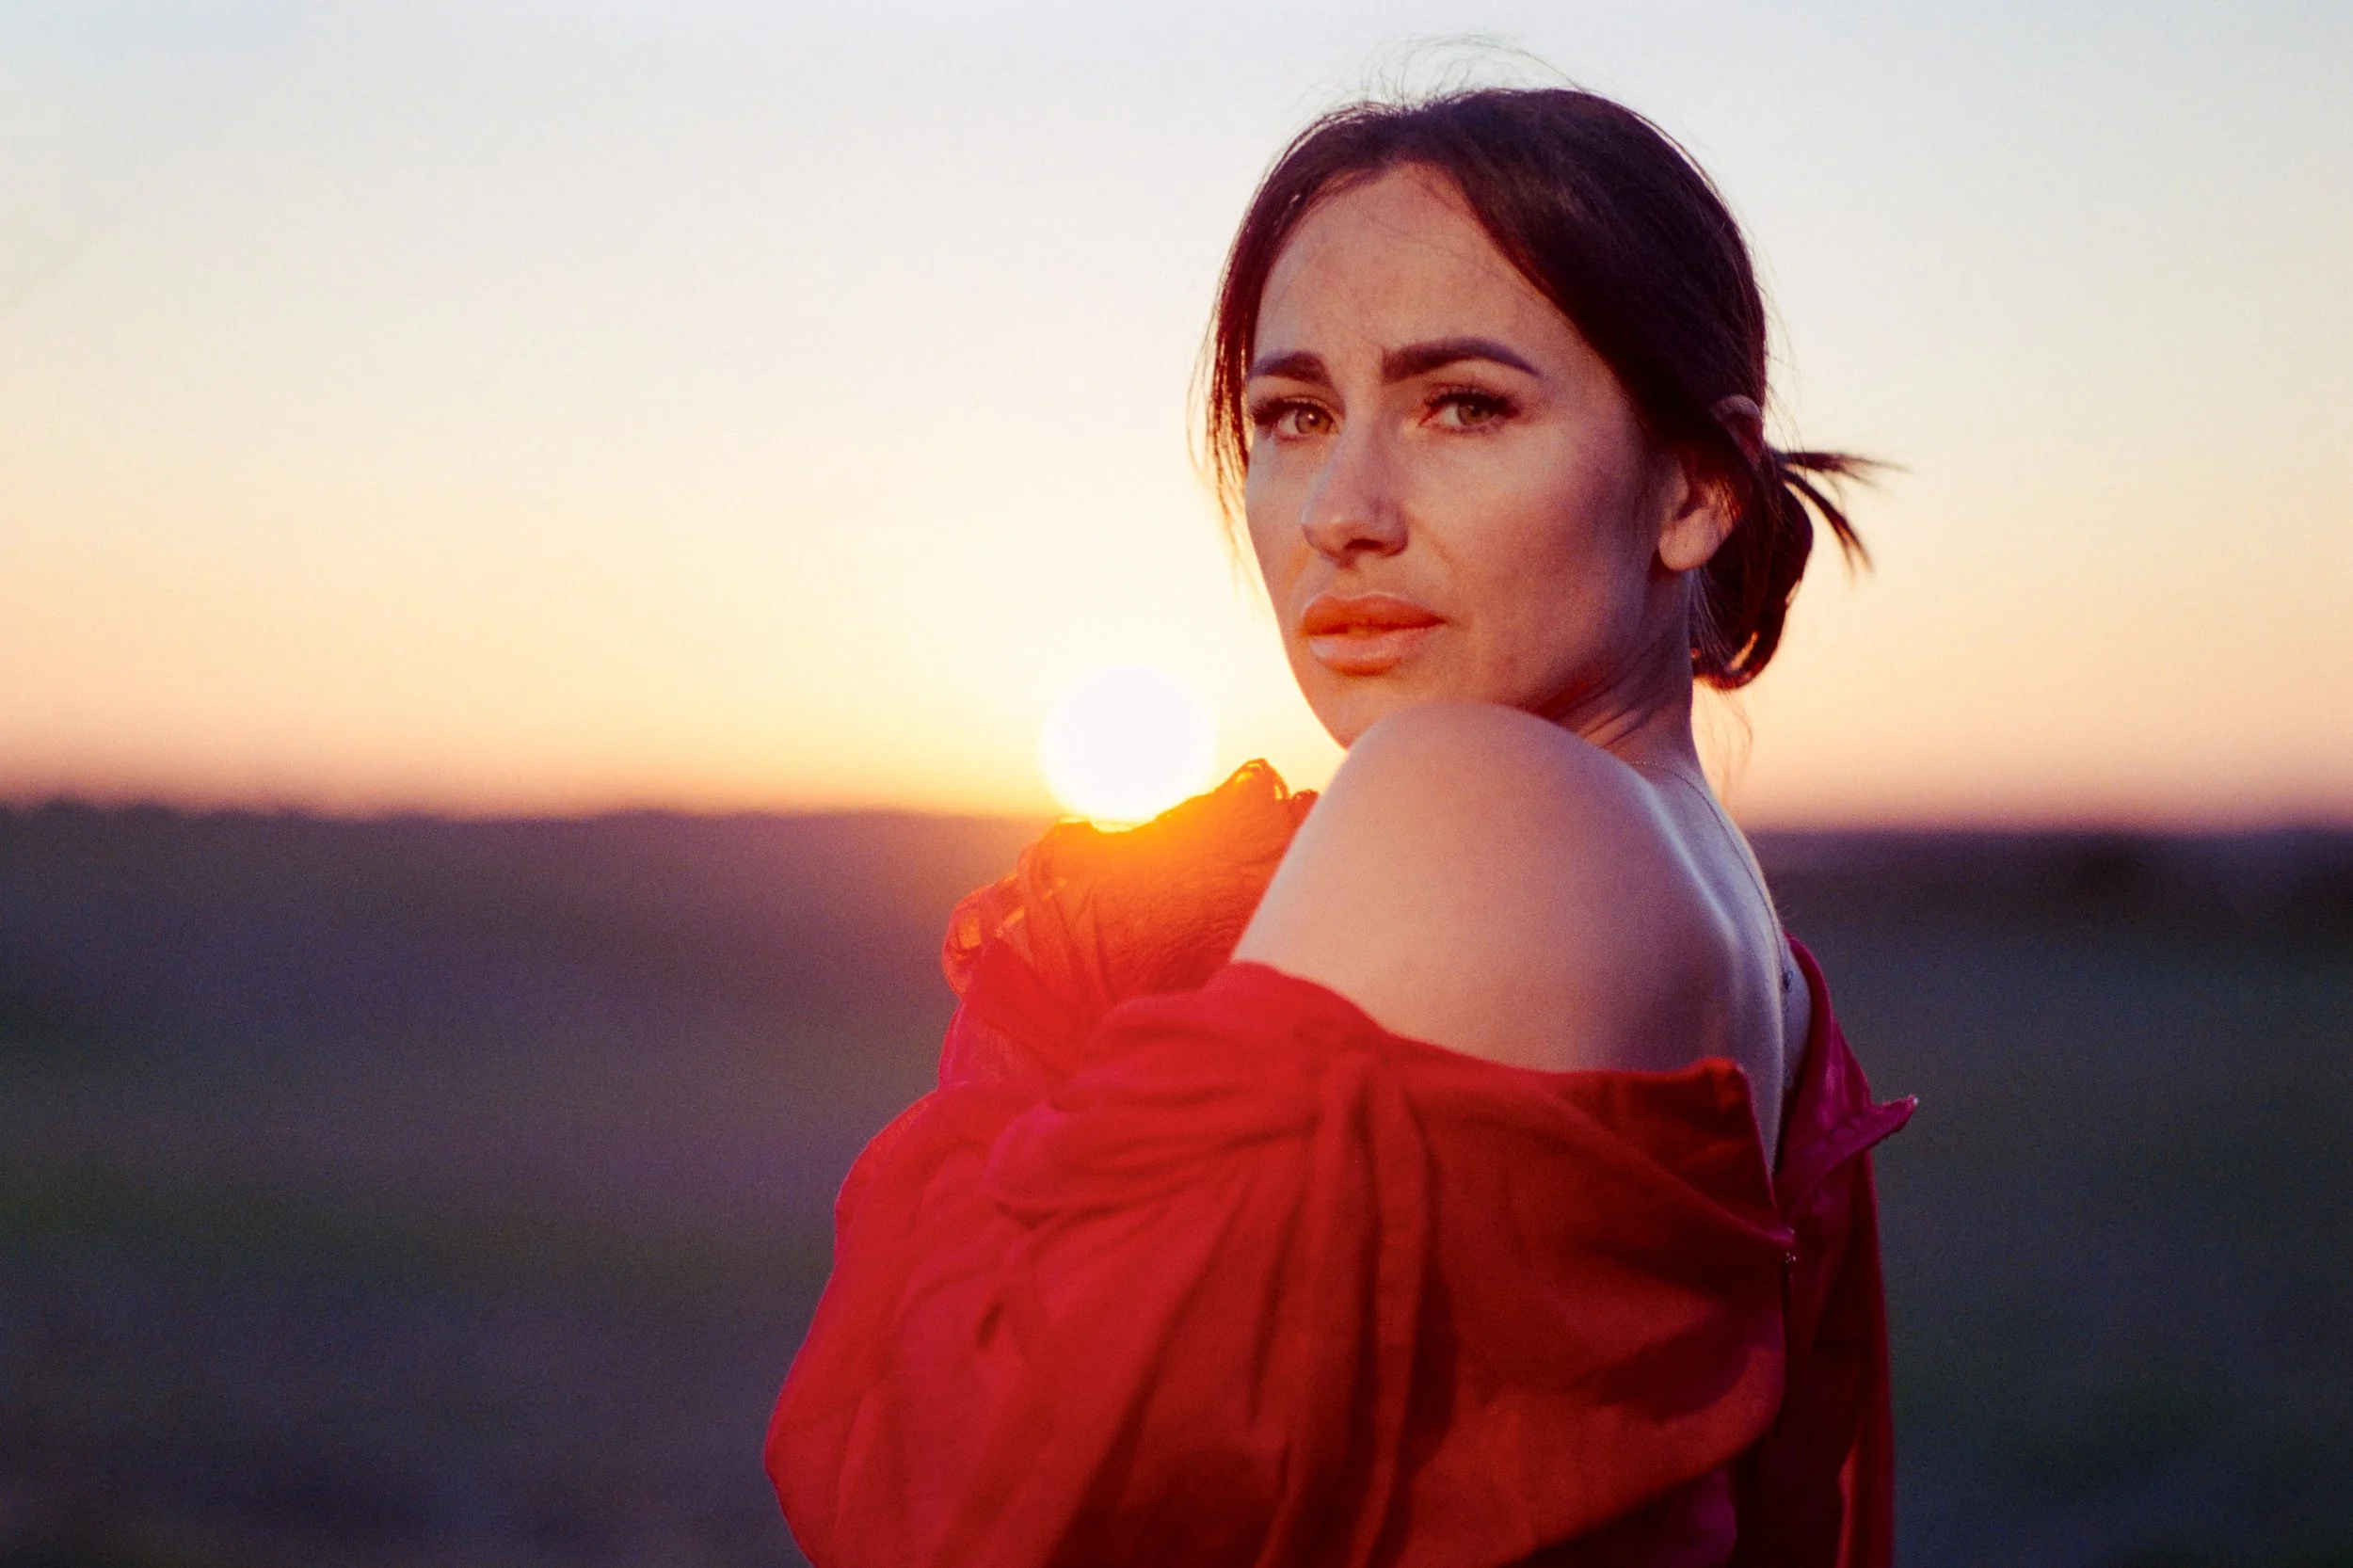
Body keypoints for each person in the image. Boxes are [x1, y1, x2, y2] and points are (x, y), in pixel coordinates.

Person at [768, 86, 1913, 1567]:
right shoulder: (1750, 935)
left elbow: (974, 1496)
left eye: (1464, 405)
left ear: (1695, 484)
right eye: (1295, 416)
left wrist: (1054, 1013)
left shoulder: (1479, 799)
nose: (1342, 511)